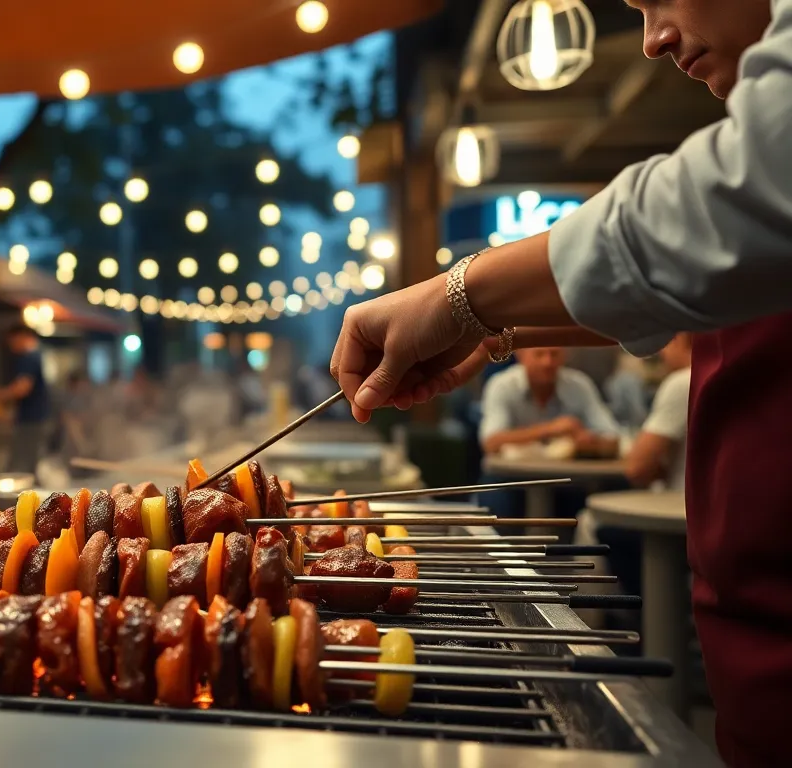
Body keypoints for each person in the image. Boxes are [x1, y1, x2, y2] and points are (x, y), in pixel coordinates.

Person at [328, 2, 789, 761]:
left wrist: (461, 294)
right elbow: (700, 285)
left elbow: (734, 194)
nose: (652, 40)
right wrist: (492, 329)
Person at [480, 347, 619, 458]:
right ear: (521, 355)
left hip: (568, 476)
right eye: (539, 354)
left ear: (565, 355)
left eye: (554, 354)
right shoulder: (502, 385)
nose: (547, 362)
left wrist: (591, 442)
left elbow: (613, 437)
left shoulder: (580, 385)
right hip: (512, 476)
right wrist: (551, 429)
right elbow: (490, 443)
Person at [624, 334, 693, 491]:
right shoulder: (732, 376)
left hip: (677, 500)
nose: (662, 352)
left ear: (678, 340)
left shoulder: (682, 383)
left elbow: (636, 468)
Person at [0, 325, 50, 475]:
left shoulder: (29, 357)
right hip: (36, 417)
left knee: (21, 464)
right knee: (29, 462)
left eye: (12, 342)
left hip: (30, 419)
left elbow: (22, 388)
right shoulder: (37, 354)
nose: (11, 347)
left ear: (20, 337)